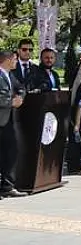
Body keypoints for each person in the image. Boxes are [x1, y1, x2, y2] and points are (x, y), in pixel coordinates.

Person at [0, 51, 28, 197]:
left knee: (11, 152)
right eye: (15, 59)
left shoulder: (10, 75)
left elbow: (21, 88)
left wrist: (20, 97)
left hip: (9, 121)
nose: (16, 62)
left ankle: (7, 185)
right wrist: (11, 102)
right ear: (8, 60)